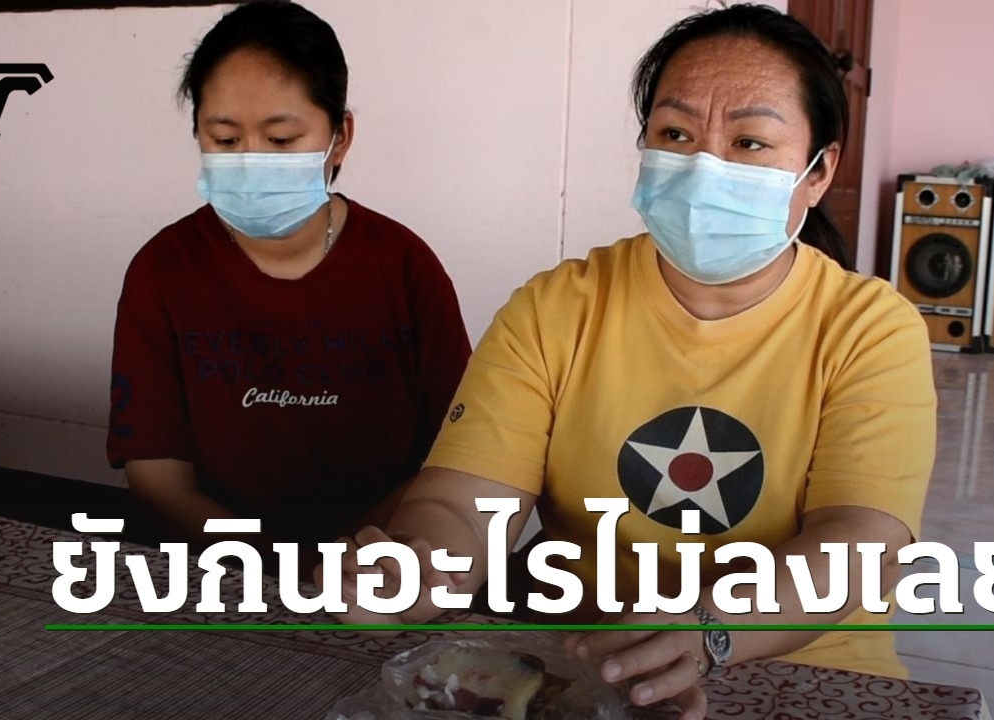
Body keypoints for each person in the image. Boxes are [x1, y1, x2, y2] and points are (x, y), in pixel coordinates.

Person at [321, 4, 935, 718]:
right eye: (676, 134)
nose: (705, 166)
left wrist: (710, 628)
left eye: (749, 142)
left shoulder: (870, 328)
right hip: (584, 671)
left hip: (802, 672)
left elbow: (859, 541)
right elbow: (464, 503)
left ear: (819, 171)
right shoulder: (555, 309)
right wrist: (422, 565)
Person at [106, 0, 471, 579]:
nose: (251, 162)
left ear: (340, 137)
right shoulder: (163, 271)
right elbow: (159, 480)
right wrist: (282, 566)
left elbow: (459, 452)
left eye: (280, 140)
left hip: (383, 567)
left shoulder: (405, 267)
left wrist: (355, 556)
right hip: (219, 570)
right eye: (225, 139)